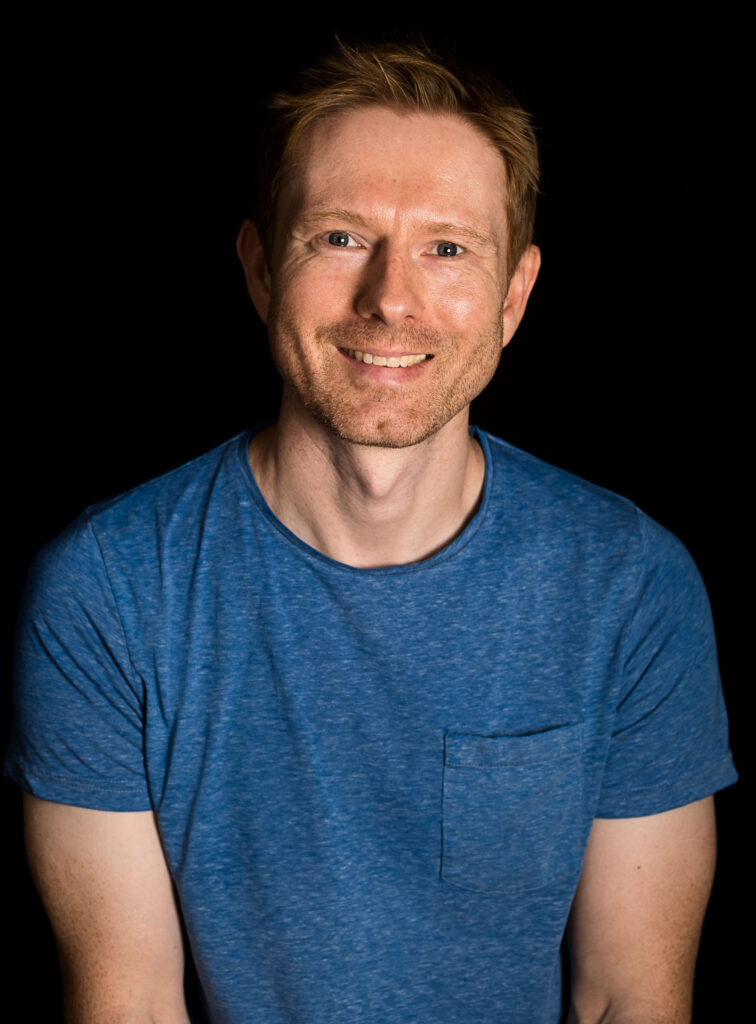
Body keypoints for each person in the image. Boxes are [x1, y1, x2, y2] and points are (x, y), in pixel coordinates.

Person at [5, 39, 737, 1024]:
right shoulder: (109, 589)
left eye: (447, 247)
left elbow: (629, 1000)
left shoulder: (631, 587)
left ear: (514, 296)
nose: (391, 298)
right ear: (262, 269)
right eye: (341, 237)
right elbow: (128, 1002)